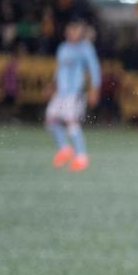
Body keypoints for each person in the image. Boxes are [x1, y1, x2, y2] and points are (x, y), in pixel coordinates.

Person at [46, 18, 100, 172]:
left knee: (71, 122)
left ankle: (81, 157)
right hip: (61, 92)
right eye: (69, 30)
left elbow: (94, 69)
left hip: (75, 92)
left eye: (74, 30)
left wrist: (94, 89)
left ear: (80, 32)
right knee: (51, 120)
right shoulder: (63, 48)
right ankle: (64, 149)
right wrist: (52, 85)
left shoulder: (85, 49)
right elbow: (59, 69)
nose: (71, 33)